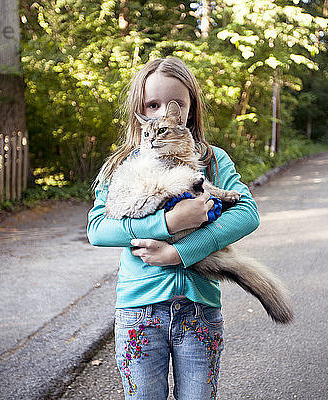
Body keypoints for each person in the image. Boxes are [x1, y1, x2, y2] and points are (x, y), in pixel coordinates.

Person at [87, 57, 260, 400]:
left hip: (199, 307)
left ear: (191, 108)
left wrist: (178, 253)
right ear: (140, 108)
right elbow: (98, 229)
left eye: (176, 104)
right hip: (139, 312)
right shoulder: (124, 163)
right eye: (152, 105)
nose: (163, 113)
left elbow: (247, 214)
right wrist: (168, 223)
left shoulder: (213, 159)